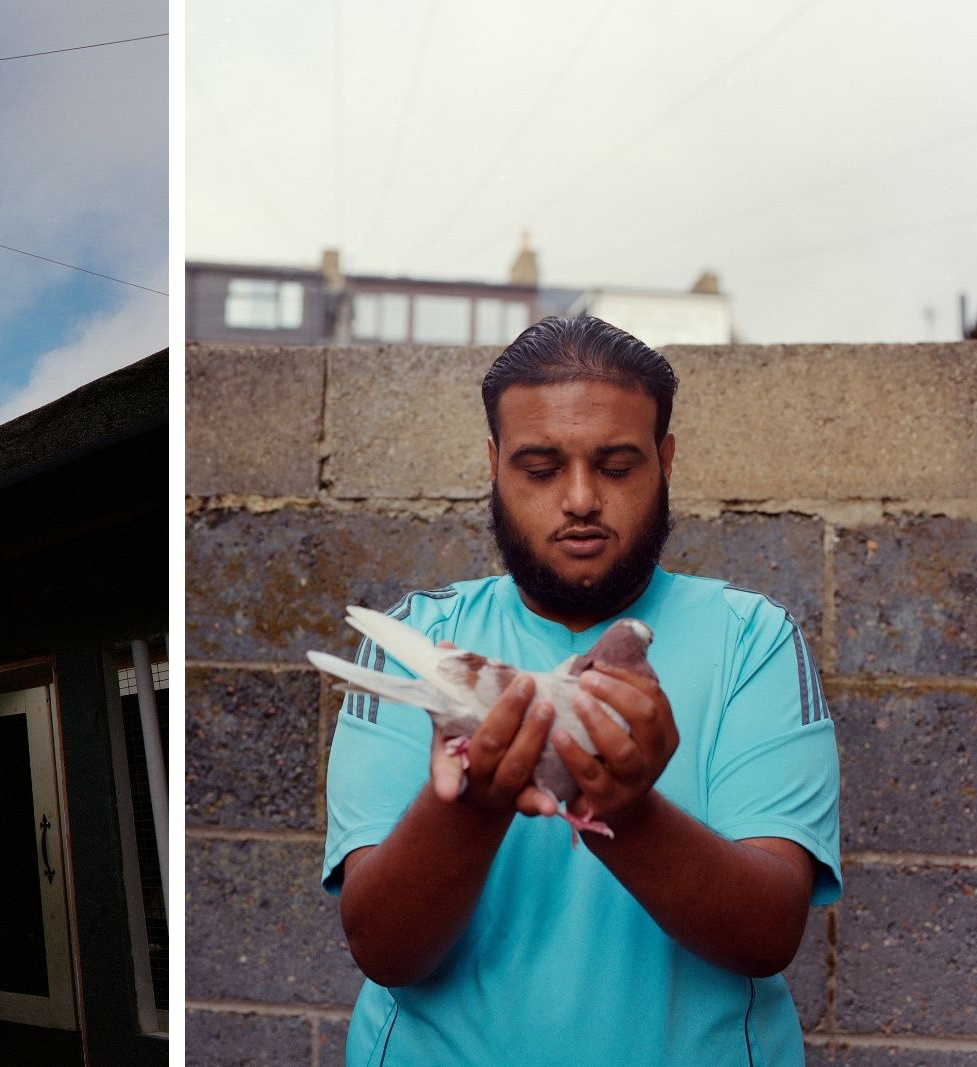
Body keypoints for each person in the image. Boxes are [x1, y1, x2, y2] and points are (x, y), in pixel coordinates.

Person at [321, 316, 840, 1066]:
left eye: (617, 466)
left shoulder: (752, 638)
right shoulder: (418, 637)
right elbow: (382, 948)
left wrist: (625, 808)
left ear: (665, 461)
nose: (580, 498)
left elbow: (767, 934)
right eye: (539, 468)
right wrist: (473, 801)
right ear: (494, 464)